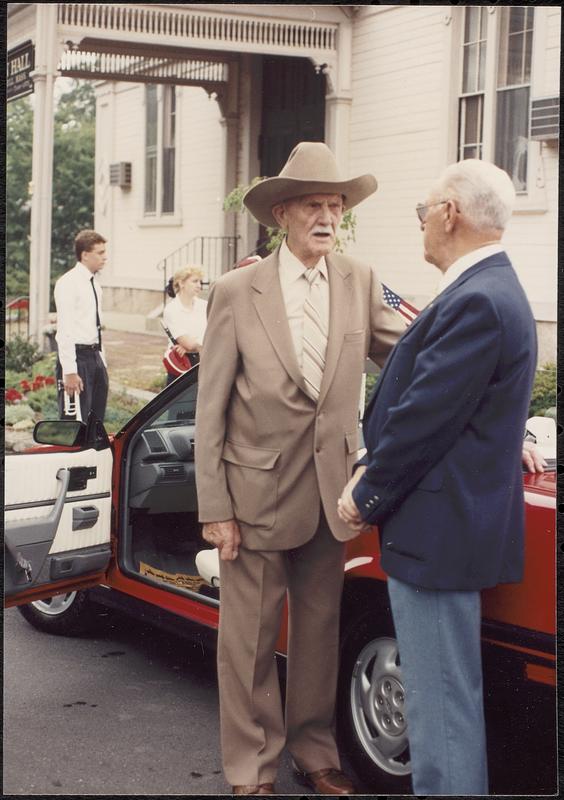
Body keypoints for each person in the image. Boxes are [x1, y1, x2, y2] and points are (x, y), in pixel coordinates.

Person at [194, 141, 407, 795]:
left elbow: (411, 355)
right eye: (314, 204)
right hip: (252, 494)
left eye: (336, 205)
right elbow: (210, 407)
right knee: (249, 642)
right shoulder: (237, 290)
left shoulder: (360, 278)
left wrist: (491, 414)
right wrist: (216, 509)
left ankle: (317, 754)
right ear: (281, 213)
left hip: (331, 494)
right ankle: (252, 769)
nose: (327, 216)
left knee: (317, 633)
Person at [338, 159, 539, 795]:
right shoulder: (490, 290)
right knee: (443, 703)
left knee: (439, 713)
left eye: (423, 210)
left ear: (449, 213)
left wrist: (363, 495)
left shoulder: (477, 297)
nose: (421, 223)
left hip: (436, 539)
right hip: (451, 531)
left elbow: (424, 416)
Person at [54, 229, 109, 422]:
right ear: (85, 255)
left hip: (95, 357)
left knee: (96, 421)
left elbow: (95, 327)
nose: (105, 257)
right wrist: (69, 371)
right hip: (77, 359)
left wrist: (102, 361)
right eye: (100, 253)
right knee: (74, 422)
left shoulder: (94, 283)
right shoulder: (69, 283)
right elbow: (65, 331)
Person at [162, 265, 207, 385]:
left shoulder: (204, 306)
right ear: (181, 283)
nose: (199, 285)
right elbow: (188, 342)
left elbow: (214, 332)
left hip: (204, 362)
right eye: (195, 281)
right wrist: (191, 345)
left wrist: (192, 345)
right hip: (182, 365)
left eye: (200, 281)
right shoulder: (172, 309)